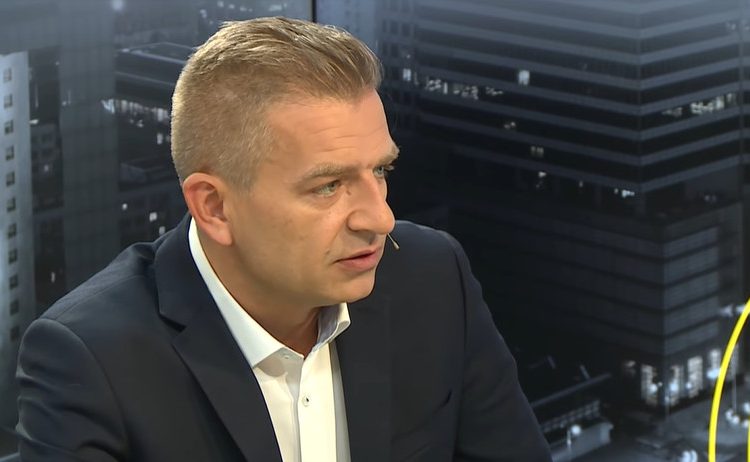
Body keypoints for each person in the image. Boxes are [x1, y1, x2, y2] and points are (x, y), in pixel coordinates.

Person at [16, 17, 551, 462]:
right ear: (214, 206)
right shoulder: (91, 359)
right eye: (328, 186)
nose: (381, 219)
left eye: (380, 171)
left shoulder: (433, 277)